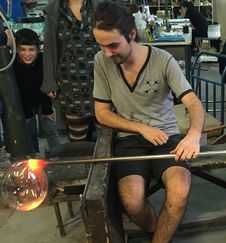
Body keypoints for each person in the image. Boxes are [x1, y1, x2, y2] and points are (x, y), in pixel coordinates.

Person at [91, 2, 204, 243]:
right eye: (101, 46)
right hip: (129, 139)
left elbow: (193, 102)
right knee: (132, 202)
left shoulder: (163, 60)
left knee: (180, 191)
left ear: (131, 34)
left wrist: (193, 135)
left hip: (166, 137)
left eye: (113, 45)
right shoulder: (102, 61)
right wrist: (141, 127)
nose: (107, 53)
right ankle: (159, 230)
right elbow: (101, 113)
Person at [41, 0, 106, 142]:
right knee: (78, 137)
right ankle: (81, 164)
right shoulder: (54, 10)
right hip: (70, 83)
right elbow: (49, 48)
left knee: (104, 135)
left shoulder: (99, 5)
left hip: (101, 78)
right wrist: (49, 82)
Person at [13, 28, 61, 154]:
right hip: (25, 105)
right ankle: (33, 156)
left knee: (51, 129)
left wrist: (47, 109)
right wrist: (27, 113)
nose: (27, 54)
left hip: (43, 100)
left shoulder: (43, 61)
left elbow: (47, 85)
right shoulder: (13, 65)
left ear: (38, 49)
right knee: (30, 133)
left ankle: (58, 155)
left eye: (31, 50)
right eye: (22, 49)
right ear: (16, 49)